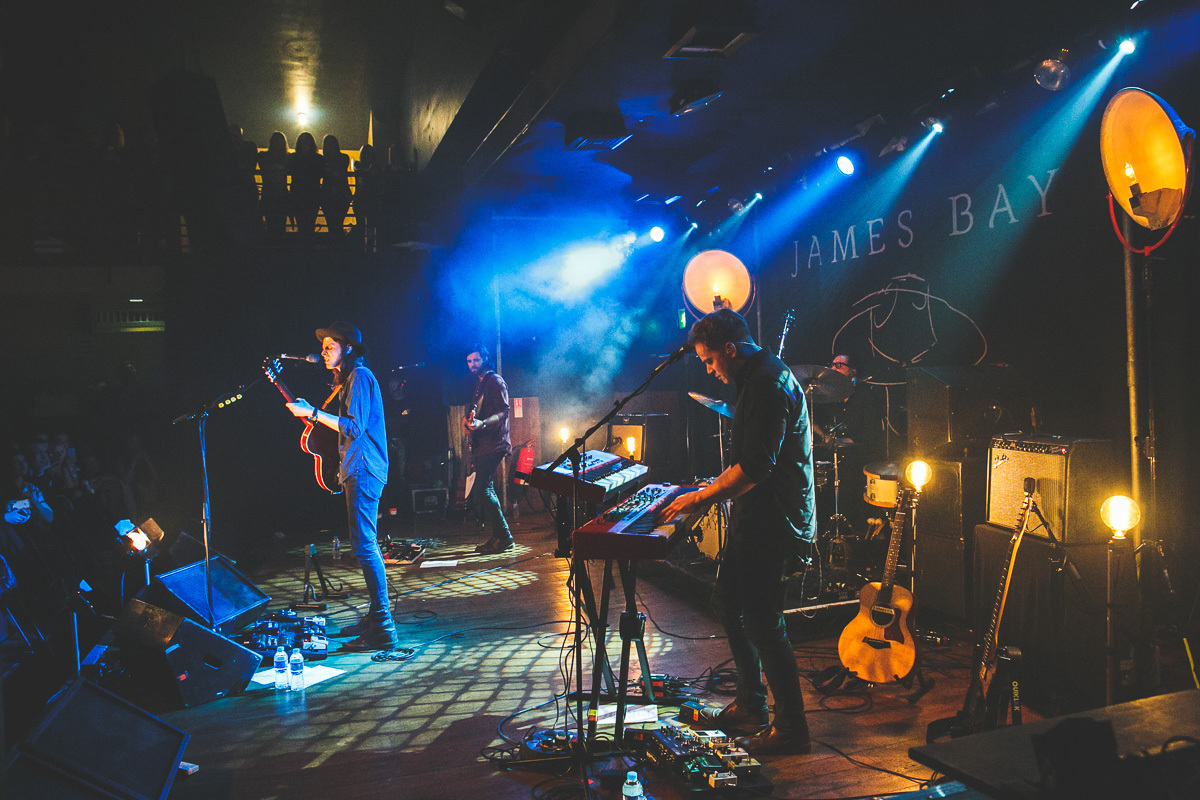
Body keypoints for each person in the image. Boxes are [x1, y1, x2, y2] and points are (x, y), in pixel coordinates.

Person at [660, 308, 814, 757]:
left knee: (765, 622)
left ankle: (792, 729)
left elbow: (754, 468)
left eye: (710, 360)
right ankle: (751, 706)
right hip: (759, 517)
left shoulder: (766, 383)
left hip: (777, 520)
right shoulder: (755, 378)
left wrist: (700, 498)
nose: (710, 370)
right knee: (727, 600)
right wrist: (704, 491)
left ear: (730, 349)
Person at [287, 322, 398, 651]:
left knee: (365, 546)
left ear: (348, 348)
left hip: (364, 468)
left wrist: (313, 412)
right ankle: (376, 618)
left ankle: (383, 626)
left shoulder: (361, 377)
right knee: (364, 545)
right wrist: (314, 414)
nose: (323, 352)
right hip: (357, 468)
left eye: (330, 346)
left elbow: (353, 427)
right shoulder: (349, 380)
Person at [462, 345, 513, 555]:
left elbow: (504, 411)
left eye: (475, 360)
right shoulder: (478, 385)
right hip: (483, 443)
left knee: (483, 487)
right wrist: (467, 421)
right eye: (468, 361)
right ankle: (500, 536)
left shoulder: (495, 381)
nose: (472, 365)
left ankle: (504, 536)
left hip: (495, 442)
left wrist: (483, 424)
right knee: (484, 487)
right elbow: (473, 412)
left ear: (485, 359)